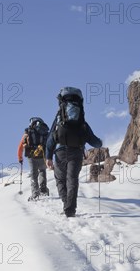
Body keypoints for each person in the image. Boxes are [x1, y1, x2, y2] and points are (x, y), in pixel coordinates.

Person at [45, 87, 102, 217]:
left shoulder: (59, 119)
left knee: (60, 180)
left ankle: (66, 204)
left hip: (59, 151)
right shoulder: (81, 121)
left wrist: (48, 156)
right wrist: (100, 143)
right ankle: (70, 209)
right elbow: (94, 141)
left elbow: (50, 138)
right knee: (72, 180)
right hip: (76, 152)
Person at [18, 117, 50, 201]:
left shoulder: (28, 132)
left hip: (31, 156)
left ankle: (35, 194)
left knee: (34, 175)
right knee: (42, 171)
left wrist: (20, 158)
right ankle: (43, 190)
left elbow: (20, 147)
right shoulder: (45, 131)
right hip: (43, 155)